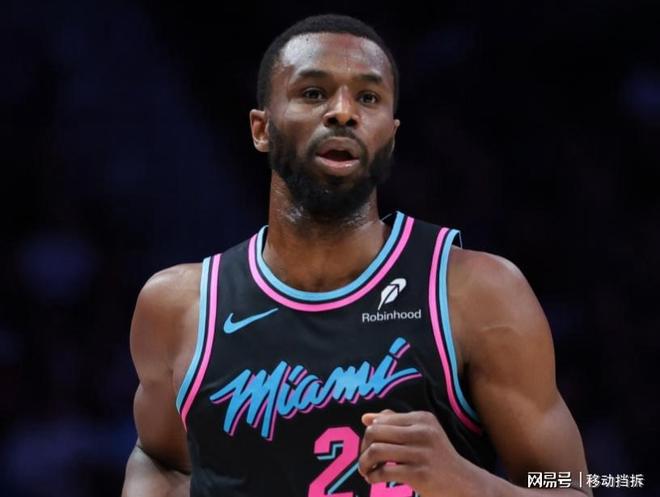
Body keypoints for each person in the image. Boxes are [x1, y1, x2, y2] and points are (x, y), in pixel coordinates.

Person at [121, 14, 592, 497]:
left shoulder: (475, 293)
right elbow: (159, 458)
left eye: (368, 98)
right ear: (261, 130)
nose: (343, 112)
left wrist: (467, 483)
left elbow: (576, 488)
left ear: (391, 135)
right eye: (313, 93)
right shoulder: (178, 307)